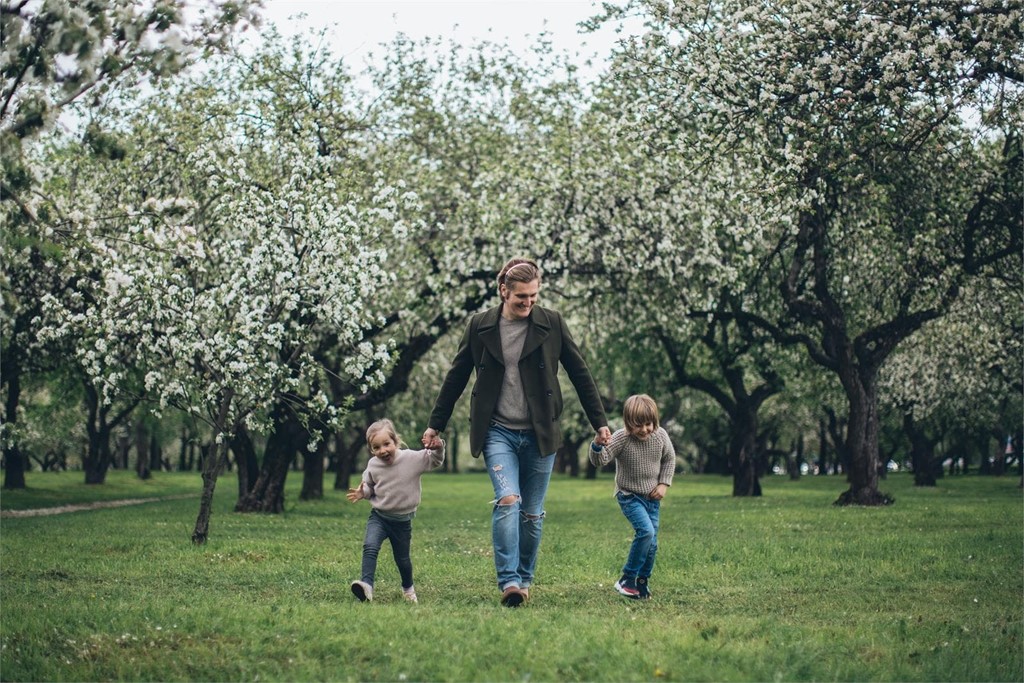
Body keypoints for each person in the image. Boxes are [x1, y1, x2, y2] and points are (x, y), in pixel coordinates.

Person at [422, 257, 611, 607]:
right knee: (509, 500)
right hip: (498, 431)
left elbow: (579, 372)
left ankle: (524, 579)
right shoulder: (480, 326)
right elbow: (456, 376)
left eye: (534, 297)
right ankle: (508, 580)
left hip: (541, 433)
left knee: (532, 513)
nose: (527, 304)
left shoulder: (551, 323)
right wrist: (436, 423)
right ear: (503, 290)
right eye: (520, 297)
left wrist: (599, 422)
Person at [348, 418, 445, 604]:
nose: (383, 450)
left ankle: (408, 588)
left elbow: (435, 461)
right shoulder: (373, 465)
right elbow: (369, 487)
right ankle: (366, 586)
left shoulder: (411, 458)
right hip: (379, 517)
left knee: (402, 559)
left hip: (402, 522)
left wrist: (438, 447)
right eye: (376, 447)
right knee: (370, 547)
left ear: (395, 441)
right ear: (371, 450)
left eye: (387, 444)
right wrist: (363, 492)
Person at [588, 394, 675, 600]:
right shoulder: (621, 438)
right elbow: (600, 461)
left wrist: (663, 484)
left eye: (648, 424)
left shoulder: (661, 436)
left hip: (652, 498)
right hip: (629, 496)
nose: (644, 429)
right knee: (645, 532)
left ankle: (641, 583)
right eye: (638, 425)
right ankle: (627, 579)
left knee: (652, 543)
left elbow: (669, 459)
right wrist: (597, 445)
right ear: (628, 423)